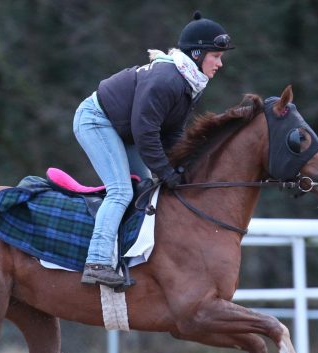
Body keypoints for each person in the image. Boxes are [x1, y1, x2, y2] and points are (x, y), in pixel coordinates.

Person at [74, 11, 234, 288]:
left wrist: (180, 168)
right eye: (216, 56)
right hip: (96, 121)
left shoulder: (187, 82)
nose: (220, 63)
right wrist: (166, 170)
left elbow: (171, 133)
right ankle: (96, 262)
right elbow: (146, 133)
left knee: (147, 188)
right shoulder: (168, 80)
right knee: (121, 190)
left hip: (123, 128)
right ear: (196, 54)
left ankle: (125, 255)